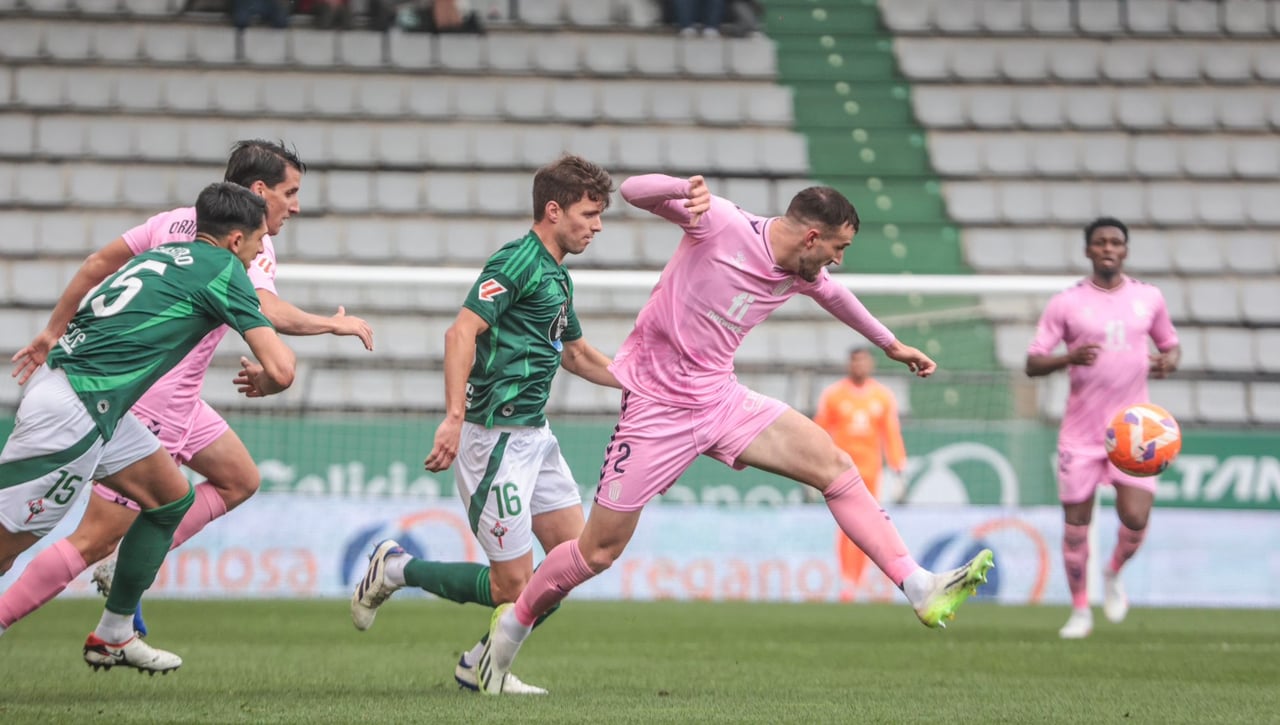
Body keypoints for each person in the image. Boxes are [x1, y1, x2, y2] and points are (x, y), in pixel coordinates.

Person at [473, 173, 996, 694]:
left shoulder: (800, 270)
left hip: (721, 400)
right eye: (839, 249)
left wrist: (891, 344)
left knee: (834, 466)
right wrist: (682, 188)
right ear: (812, 238)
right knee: (598, 551)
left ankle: (918, 584)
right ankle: (506, 637)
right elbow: (634, 191)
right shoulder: (718, 220)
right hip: (656, 410)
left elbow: (836, 297)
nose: (838, 261)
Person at [0, 140, 373, 638]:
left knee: (225, 482)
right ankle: (96, 597)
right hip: (130, 396)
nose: (295, 206)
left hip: (133, 392)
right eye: (291, 192)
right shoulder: (235, 252)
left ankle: (118, 614)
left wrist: (52, 331)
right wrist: (326, 326)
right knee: (73, 538)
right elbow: (266, 315)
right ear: (257, 199)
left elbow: (96, 263)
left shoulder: (177, 227)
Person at [0, 182, 296, 672]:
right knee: (5, 547)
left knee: (170, 500)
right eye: (259, 241)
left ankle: (115, 634)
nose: (263, 251)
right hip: (76, 411)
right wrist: (269, 380)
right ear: (235, 240)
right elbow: (282, 368)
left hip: (90, 399)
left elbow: (97, 271)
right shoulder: (225, 271)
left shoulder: (167, 251)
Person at [350, 155, 618, 695]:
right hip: (493, 439)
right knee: (512, 586)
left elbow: (577, 356)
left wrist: (644, 385)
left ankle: (480, 662)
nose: (597, 226)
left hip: (536, 439)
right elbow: (460, 334)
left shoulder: (558, 278)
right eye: (589, 214)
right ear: (553, 210)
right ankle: (397, 568)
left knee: (573, 563)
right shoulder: (516, 261)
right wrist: (453, 418)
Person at [1025, 217, 1180, 640]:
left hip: (1136, 435)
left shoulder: (1149, 298)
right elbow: (1032, 362)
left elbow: (1170, 345)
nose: (1108, 248)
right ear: (1089, 251)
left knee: (1135, 518)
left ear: (1125, 251)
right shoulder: (1067, 303)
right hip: (1081, 434)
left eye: (1115, 242)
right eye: (1100, 242)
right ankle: (1079, 610)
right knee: (1076, 526)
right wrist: (1067, 359)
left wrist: (1170, 360)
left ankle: (1112, 573)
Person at [813, 346, 908, 599]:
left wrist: (898, 470)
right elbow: (819, 432)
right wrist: (811, 468)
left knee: (868, 527)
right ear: (849, 365)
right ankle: (846, 580)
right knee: (846, 527)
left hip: (870, 472)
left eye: (863, 362)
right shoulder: (833, 395)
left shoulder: (882, 396)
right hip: (841, 472)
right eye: (855, 362)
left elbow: (891, 434)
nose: (859, 366)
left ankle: (857, 579)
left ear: (871, 365)